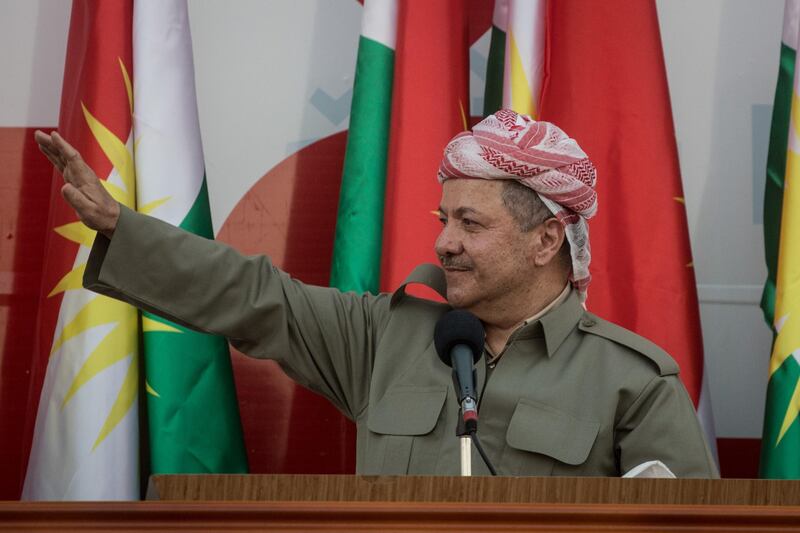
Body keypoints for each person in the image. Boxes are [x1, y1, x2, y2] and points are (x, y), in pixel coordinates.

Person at [34, 109, 718, 477]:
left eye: (470, 222)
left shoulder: (634, 382)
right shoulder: (384, 338)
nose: (444, 242)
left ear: (546, 240)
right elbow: (252, 295)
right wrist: (123, 227)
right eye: (443, 219)